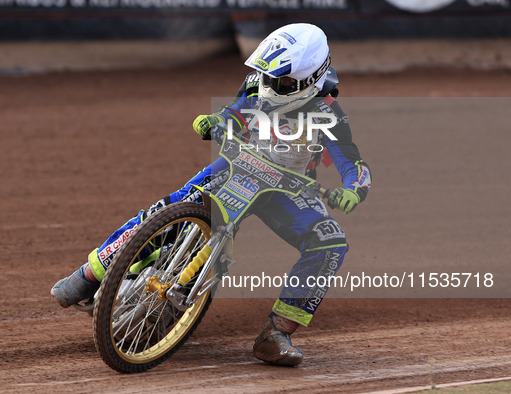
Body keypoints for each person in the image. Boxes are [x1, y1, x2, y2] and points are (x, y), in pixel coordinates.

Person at [51, 23, 371, 367]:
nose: (269, 85)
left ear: (310, 78)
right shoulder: (256, 84)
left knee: (330, 242)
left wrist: (352, 190)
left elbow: (354, 164)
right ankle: (90, 274)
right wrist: (213, 121)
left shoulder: (328, 114)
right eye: (267, 75)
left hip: (287, 189)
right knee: (169, 208)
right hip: (235, 167)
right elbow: (233, 114)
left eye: (281, 81)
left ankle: (277, 332)